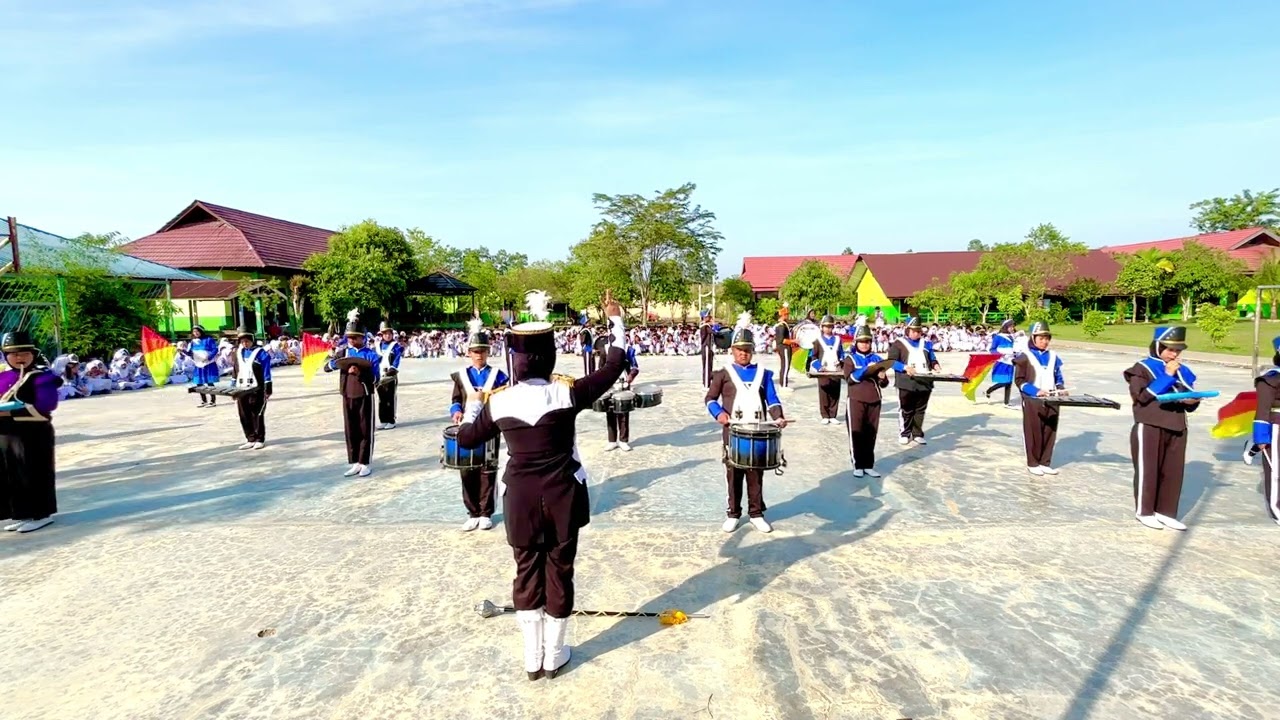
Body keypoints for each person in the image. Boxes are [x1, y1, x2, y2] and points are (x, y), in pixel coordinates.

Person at [455, 293, 628, 681]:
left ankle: (532, 658)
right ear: (549, 355)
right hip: (564, 496)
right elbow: (614, 365)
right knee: (560, 571)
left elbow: (466, 438)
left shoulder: (499, 402)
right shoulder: (568, 391)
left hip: (520, 500)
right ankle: (554, 655)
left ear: (515, 360)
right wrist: (615, 321)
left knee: (525, 572)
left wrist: (473, 405)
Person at [705, 313, 788, 534]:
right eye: (740, 349)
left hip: (757, 431)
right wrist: (719, 414)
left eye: (747, 349)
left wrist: (778, 416)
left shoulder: (763, 374)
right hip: (732, 432)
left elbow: (772, 399)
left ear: (752, 351)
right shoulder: (722, 374)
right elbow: (710, 399)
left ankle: (756, 513)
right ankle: (733, 513)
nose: (744, 353)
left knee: (755, 475)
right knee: (733, 475)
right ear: (732, 350)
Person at [1123, 326, 1199, 531]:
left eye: (1178, 350)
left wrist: (1192, 401)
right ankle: (1145, 512)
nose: (1174, 355)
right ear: (1157, 347)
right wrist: (1167, 375)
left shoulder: (1183, 370)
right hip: (1150, 424)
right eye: (1170, 349)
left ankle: (1166, 512)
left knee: (1173, 472)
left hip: (1177, 424)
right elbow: (1141, 397)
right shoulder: (1141, 368)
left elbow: (1189, 396)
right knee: (1148, 470)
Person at [448, 320, 509, 531]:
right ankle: (472, 512)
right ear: (469, 353)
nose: (479, 355)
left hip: (490, 428)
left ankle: (485, 512)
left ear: (488, 352)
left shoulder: (498, 376)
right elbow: (456, 400)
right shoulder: (461, 376)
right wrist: (456, 411)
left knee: (488, 469)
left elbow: (504, 398)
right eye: (475, 351)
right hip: (467, 427)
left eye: (482, 351)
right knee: (466, 469)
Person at [0, 331, 61, 533]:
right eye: (14, 354)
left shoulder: (42, 377)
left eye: (25, 353)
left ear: (33, 355)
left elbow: (47, 404)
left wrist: (10, 411)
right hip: (6, 434)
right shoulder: (3, 377)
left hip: (33, 433)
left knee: (35, 472)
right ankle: (22, 513)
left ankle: (41, 514)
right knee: (12, 475)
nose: (20, 357)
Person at [325, 314, 380, 477]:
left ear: (363, 338)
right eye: (349, 337)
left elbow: (376, 379)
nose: (352, 340)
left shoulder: (371, 355)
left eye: (355, 337)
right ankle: (355, 462)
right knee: (350, 430)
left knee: (365, 430)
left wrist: (360, 373)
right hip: (347, 395)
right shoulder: (343, 352)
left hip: (364, 396)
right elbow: (327, 367)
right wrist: (338, 364)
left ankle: (365, 462)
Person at [1015, 322, 1065, 476]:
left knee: (1050, 430)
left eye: (1047, 338)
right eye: (1041, 338)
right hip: (1033, 400)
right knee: (1033, 431)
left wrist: (1061, 388)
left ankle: (1045, 462)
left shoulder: (1053, 356)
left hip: (1052, 399)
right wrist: (1035, 391)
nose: (1045, 341)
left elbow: (1058, 376)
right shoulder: (1025, 356)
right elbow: (1019, 381)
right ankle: (1033, 463)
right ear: (1033, 338)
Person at [887, 317, 941, 445]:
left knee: (920, 410)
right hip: (906, 382)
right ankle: (905, 433)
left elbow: (932, 358)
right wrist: (904, 367)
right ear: (907, 331)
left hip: (925, 382)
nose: (917, 333)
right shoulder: (898, 344)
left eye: (919, 331)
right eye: (914, 331)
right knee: (906, 409)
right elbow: (891, 362)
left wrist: (936, 365)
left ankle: (917, 433)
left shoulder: (926, 344)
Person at [843, 324, 888, 478]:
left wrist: (882, 377)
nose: (864, 344)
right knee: (856, 432)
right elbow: (850, 379)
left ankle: (868, 465)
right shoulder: (850, 359)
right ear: (856, 342)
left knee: (871, 433)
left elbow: (884, 383)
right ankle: (857, 464)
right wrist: (867, 369)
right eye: (861, 341)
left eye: (867, 341)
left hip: (874, 399)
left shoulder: (877, 358)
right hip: (856, 399)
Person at [1249, 337, 1280, 525]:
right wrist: (1261, 437)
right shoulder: (1271, 379)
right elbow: (1262, 410)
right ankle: (1277, 508)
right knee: (1276, 470)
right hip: (1276, 427)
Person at [231, 327, 271, 450]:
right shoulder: (238, 353)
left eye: (247, 341)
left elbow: (266, 371)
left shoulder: (261, 353)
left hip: (257, 389)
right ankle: (250, 438)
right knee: (244, 414)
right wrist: (233, 386)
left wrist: (268, 388)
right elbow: (235, 370)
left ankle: (259, 439)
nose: (245, 344)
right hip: (241, 388)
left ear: (252, 340)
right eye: (242, 342)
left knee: (257, 413)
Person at [602, 338, 640, 451]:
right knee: (610, 412)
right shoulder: (605, 349)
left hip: (623, 384)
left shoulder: (628, 349)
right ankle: (612, 441)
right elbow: (600, 369)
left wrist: (630, 376)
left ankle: (623, 440)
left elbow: (635, 367)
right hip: (609, 384)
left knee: (623, 412)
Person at [809, 314, 845, 424]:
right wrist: (819, 367)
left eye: (830, 326)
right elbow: (813, 357)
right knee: (824, 392)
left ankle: (833, 415)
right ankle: (825, 415)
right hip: (823, 370)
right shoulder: (818, 340)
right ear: (822, 327)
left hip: (835, 370)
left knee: (835, 392)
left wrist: (841, 362)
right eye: (826, 326)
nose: (828, 329)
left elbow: (841, 354)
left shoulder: (838, 339)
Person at [373, 322, 402, 430]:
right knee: (381, 399)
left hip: (390, 375)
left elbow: (397, 359)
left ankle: (391, 420)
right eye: (385, 333)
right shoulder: (377, 346)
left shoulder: (396, 346)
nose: (388, 335)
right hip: (379, 375)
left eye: (389, 333)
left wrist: (393, 369)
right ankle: (383, 420)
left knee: (390, 398)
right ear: (382, 335)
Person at [985, 319, 1018, 407]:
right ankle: (989, 390)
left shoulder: (1011, 337)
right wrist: (1001, 354)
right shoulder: (998, 337)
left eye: (1013, 327)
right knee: (1004, 382)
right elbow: (992, 349)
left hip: (1010, 361)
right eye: (1010, 327)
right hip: (1002, 361)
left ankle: (1006, 402)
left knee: (1009, 382)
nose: (1012, 328)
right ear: (1005, 327)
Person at [188, 325, 221, 408]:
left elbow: (215, 349)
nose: (195, 333)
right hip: (198, 365)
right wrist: (182, 350)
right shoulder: (193, 342)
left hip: (208, 364)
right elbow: (190, 353)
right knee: (199, 383)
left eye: (197, 331)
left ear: (201, 331)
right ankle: (204, 401)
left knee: (210, 382)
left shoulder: (208, 339)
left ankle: (213, 401)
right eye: (194, 332)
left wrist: (208, 357)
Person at [773, 304, 793, 389]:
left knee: (784, 366)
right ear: (783, 315)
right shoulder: (781, 326)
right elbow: (782, 340)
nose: (788, 316)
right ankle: (783, 385)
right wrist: (794, 341)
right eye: (787, 314)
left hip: (783, 348)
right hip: (784, 348)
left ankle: (783, 384)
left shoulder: (781, 325)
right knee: (785, 366)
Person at [698, 311, 715, 388]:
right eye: (708, 316)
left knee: (709, 366)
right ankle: (706, 383)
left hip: (709, 348)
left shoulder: (707, 326)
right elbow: (714, 332)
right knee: (707, 366)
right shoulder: (705, 326)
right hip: (706, 348)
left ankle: (708, 382)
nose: (710, 317)